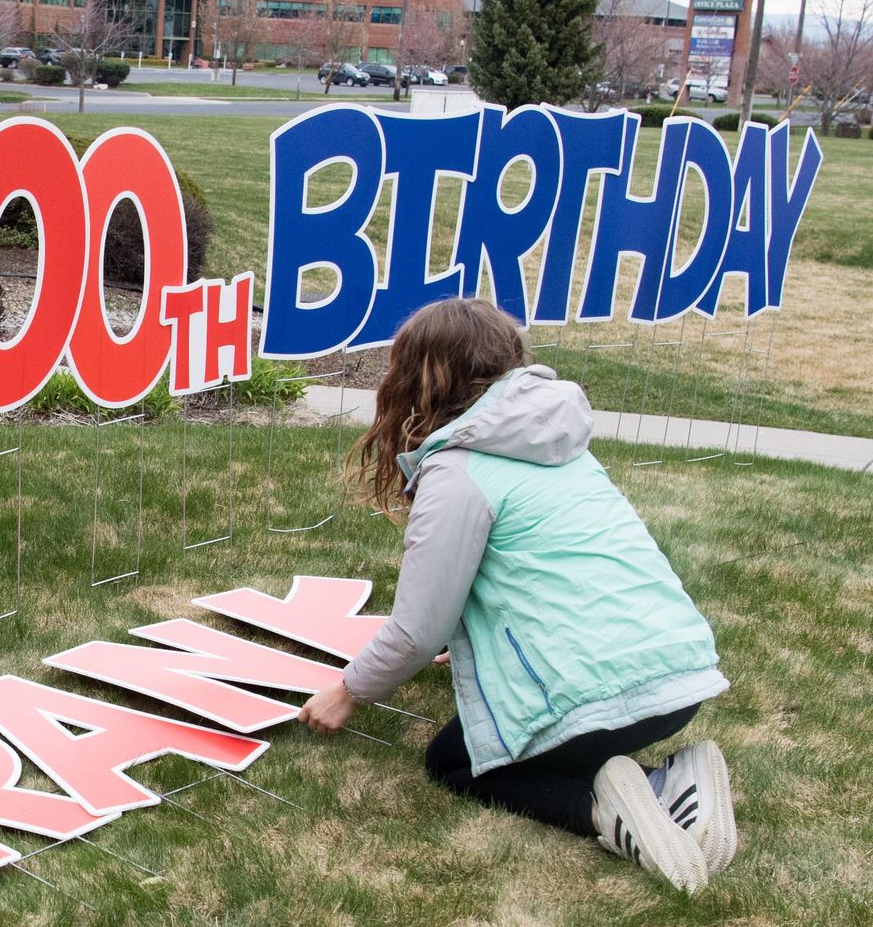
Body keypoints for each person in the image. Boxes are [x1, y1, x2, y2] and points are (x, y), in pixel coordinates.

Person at [295, 298, 737, 891]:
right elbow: (548, 578)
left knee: (453, 762)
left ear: (419, 379)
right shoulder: (558, 442)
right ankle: (675, 779)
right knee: (519, 740)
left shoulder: (456, 473)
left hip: (609, 698)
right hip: (681, 679)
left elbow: (417, 628)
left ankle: (612, 811)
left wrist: (348, 693)